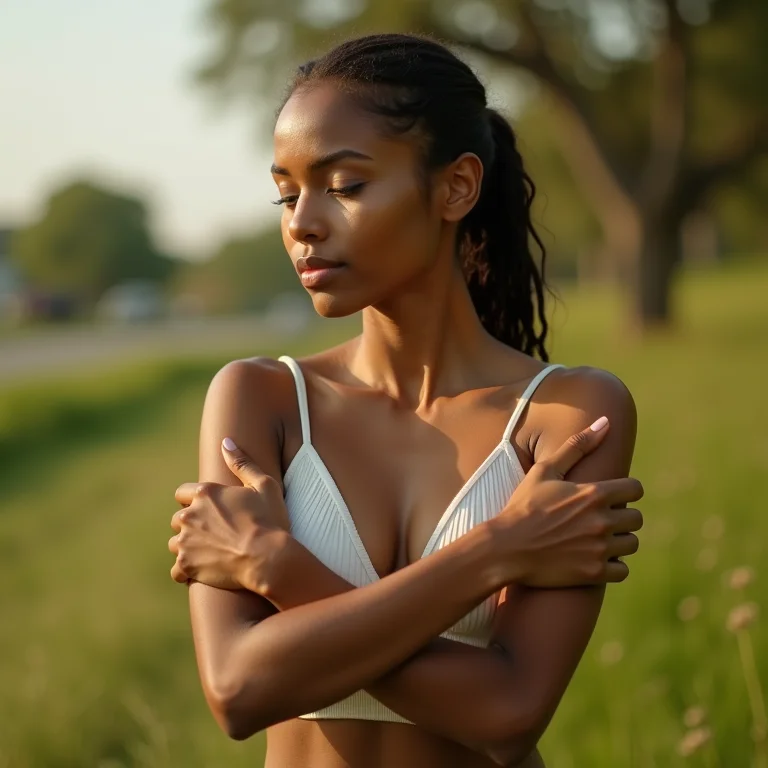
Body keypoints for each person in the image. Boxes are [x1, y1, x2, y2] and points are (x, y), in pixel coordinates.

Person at [167, 33, 643, 768]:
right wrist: (498, 549)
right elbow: (238, 689)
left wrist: (279, 570)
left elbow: (509, 714)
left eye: (346, 186)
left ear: (455, 187)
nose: (302, 223)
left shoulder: (570, 415)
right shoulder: (260, 398)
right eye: (287, 193)